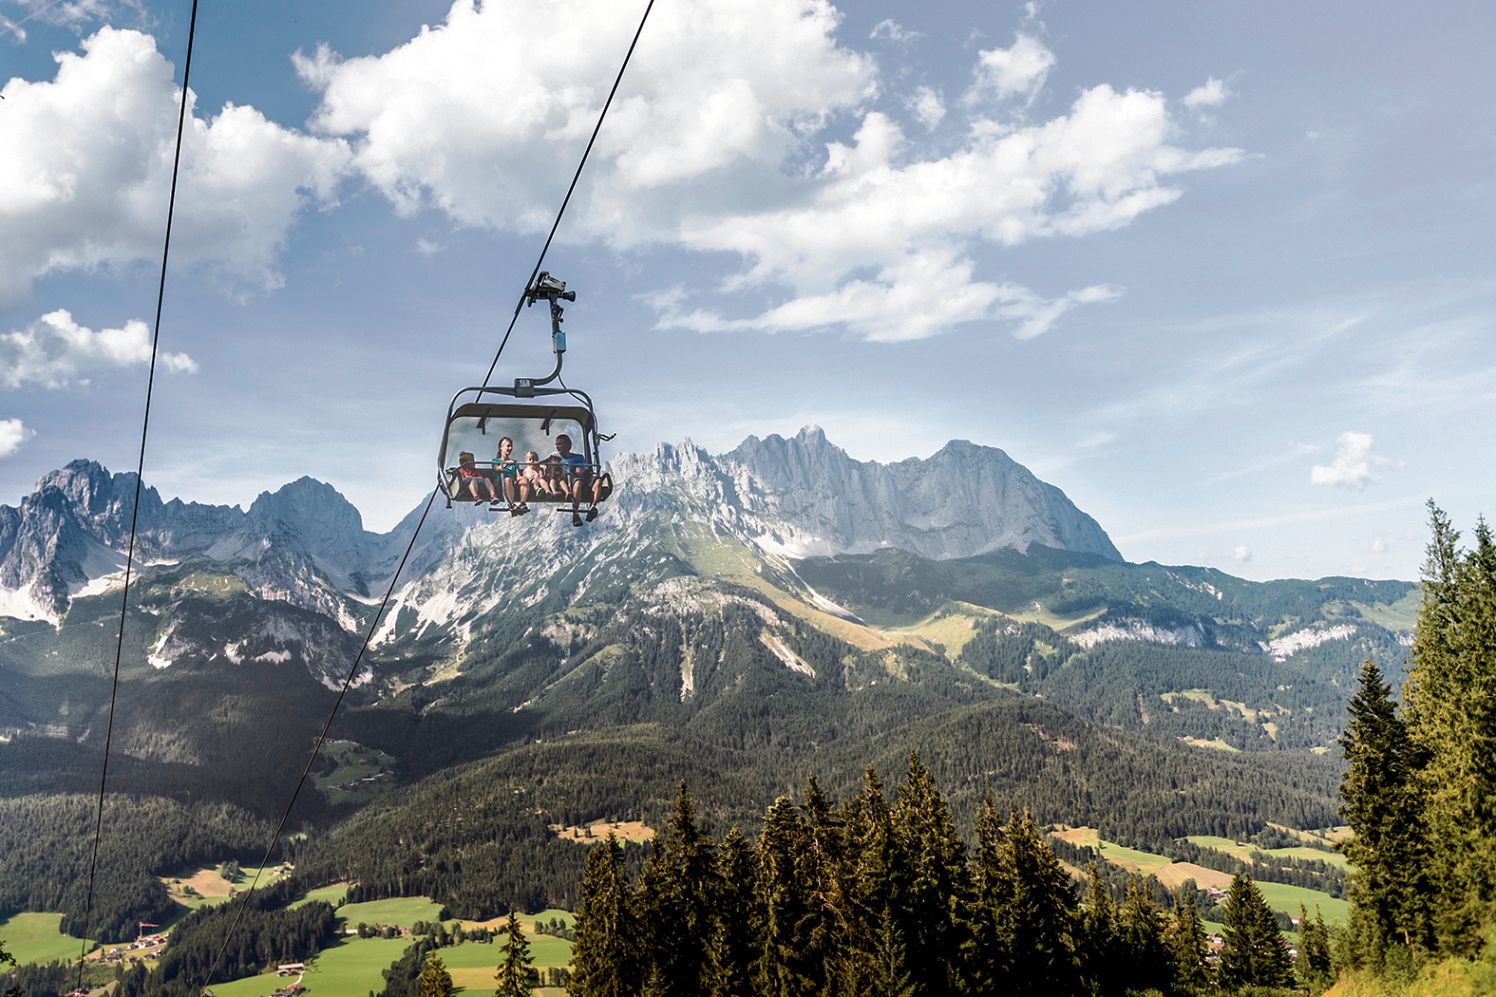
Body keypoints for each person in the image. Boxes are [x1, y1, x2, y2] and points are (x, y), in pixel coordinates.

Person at [552, 433, 602, 526]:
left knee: (598, 481)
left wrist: (579, 470)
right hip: (570, 478)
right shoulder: (555, 458)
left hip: (582, 476)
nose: (557, 446)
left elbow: (581, 470)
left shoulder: (578, 457)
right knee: (578, 483)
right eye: (556, 444)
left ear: (567, 445)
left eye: (560, 444)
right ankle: (576, 512)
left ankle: (593, 507)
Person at [494, 436, 528, 516]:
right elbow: (496, 468)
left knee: (525, 480)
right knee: (507, 479)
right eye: (508, 446)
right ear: (501, 447)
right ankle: (512, 504)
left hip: (512, 481)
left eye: (511, 446)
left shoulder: (513, 462)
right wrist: (506, 463)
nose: (510, 448)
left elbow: (518, 476)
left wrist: (523, 478)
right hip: (501, 482)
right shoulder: (496, 460)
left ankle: (522, 503)